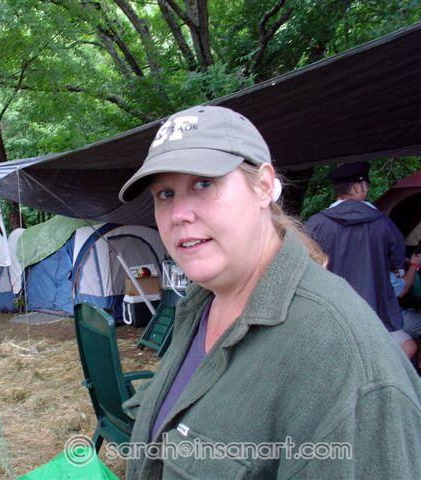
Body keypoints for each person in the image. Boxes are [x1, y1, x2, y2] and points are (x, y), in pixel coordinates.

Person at [117, 105, 421, 479]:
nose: (179, 213)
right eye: (165, 193)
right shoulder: (202, 304)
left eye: (203, 184)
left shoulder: (339, 356)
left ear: (263, 186)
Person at [304, 162, 407, 344]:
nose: (367, 189)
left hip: (330, 314)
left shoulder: (316, 223)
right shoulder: (382, 222)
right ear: (357, 187)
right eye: (366, 185)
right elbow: (397, 261)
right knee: (406, 348)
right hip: (375, 314)